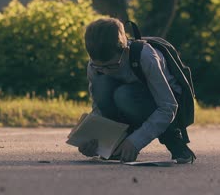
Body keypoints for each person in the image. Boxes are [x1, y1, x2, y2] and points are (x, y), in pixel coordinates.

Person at [78, 18, 196, 163]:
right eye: (99, 67)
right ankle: (117, 144)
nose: (105, 72)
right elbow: (99, 106)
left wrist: (136, 141)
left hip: (167, 105)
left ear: (125, 50)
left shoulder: (145, 56)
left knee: (124, 95)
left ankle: (174, 141)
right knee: (101, 85)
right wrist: (94, 138)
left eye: (111, 66)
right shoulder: (95, 66)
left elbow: (168, 107)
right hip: (131, 103)